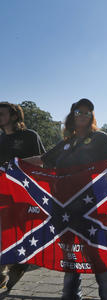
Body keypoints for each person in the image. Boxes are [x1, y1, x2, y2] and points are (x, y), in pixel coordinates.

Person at [23, 98, 107, 300]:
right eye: (79, 111)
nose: (83, 115)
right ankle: (70, 296)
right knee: (70, 254)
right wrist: (13, 164)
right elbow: (42, 161)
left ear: (91, 117)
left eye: (87, 112)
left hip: (89, 207)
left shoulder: (99, 139)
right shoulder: (65, 143)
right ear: (72, 115)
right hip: (63, 207)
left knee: (97, 254)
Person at [0, 102, 46, 291]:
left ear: (13, 116)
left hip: (24, 194)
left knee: (18, 234)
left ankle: (19, 265)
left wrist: (15, 165)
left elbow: (43, 161)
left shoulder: (29, 136)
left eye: (1, 113)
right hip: (3, 195)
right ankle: (3, 272)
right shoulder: (0, 139)